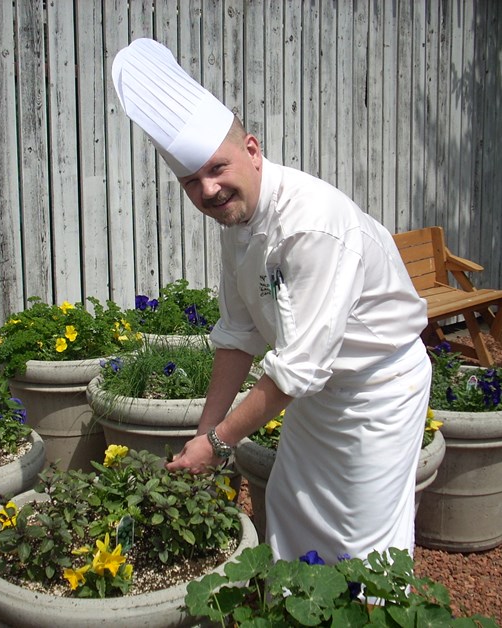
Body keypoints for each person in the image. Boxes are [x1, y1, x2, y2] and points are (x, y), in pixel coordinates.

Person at [111, 38, 432, 570]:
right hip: (319, 391)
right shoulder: (237, 223)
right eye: (192, 182)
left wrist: (217, 443)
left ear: (253, 150)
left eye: (218, 168)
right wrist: (204, 433)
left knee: (361, 539)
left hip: (378, 391)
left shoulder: (310, 224)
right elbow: (239, 334)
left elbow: (296, 370)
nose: (209, 190)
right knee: (289, 505)